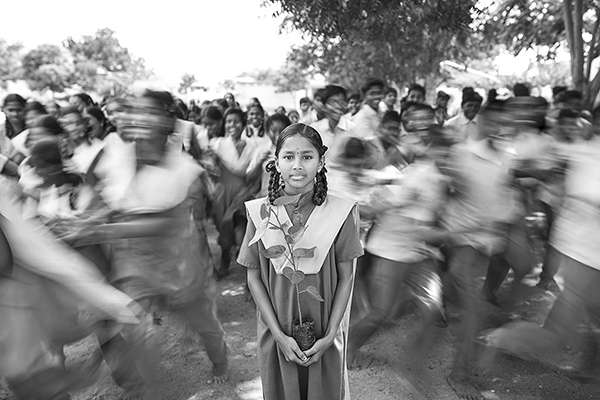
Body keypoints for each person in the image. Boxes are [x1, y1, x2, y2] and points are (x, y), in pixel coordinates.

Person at [83, 91, 230, 396]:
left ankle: (220, 363)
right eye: (136, 111)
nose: (140, 118)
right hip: (134, 263)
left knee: (205, 326)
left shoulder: (184, 169)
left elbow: (164, 222)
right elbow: (100, 198)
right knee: (137, 330)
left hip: (180, 261)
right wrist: (89, 217)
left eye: (150, 112)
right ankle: (149, 390)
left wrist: (97, 228)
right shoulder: (115, 157)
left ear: (168, 121)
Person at [237, 123, 363, 400]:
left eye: (307, 157)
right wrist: (279, 336)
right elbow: (254, 277)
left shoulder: (342, 212)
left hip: (325, 328)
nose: (297, 165)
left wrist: (331, 334)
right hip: (276, 327)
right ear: (277, 162)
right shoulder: (259, 212)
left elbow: (347, 277)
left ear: (320, 162)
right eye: (289, 157)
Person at [348, 104, 449, 370]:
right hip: (393, 249)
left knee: (430, 309)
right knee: (381, 312)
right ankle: (347, 352)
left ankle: (413, 365)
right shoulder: (420, 175)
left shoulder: (437, 176)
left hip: (416, 250)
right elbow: (387, 207)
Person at [210, 107, 267, 278]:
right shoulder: (216, 144)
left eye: (236, 121)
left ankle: (249, 276)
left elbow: (252, 174)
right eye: (228, 121)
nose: (232, 125)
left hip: (243, 193)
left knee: (242, 231)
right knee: (224, 230)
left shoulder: (253, 146)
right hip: (223, 194)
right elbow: (211, 170)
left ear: (243, 124)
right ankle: (225, 262)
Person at [310, 85, 350, 162]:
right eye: (333, 102)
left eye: (342, 102)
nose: (338, 106)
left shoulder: (352, 130)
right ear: (324, 106)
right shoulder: (314, 130)